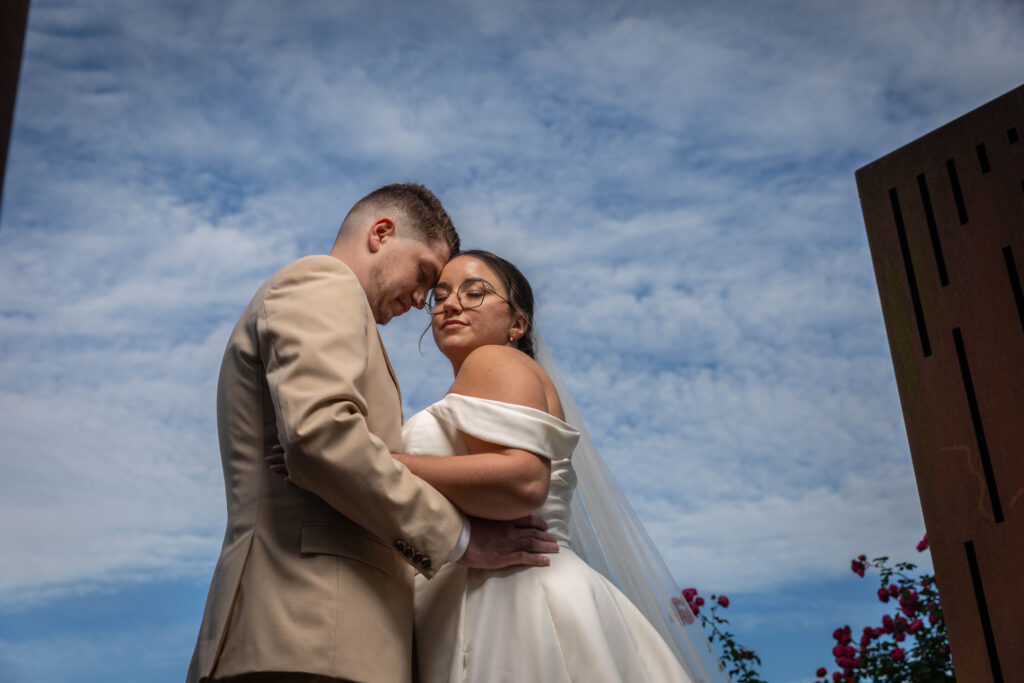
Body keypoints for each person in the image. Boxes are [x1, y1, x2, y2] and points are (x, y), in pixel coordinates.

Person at [186, 186, 558, 683]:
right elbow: (322, 438)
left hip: (342, 640)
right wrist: (461, 540)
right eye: (426, 276)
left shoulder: (352, 316)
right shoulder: (322, 282)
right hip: (304, 633)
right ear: (381, 234)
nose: (424, 301)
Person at [391, 250, 727, 682]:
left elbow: (523, 480)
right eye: (439, 297)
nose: (451, 304)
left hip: (511, 602)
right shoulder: (493, 380)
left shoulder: (492, 359)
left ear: (517, 324)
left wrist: (379, 464)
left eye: (474, 293)